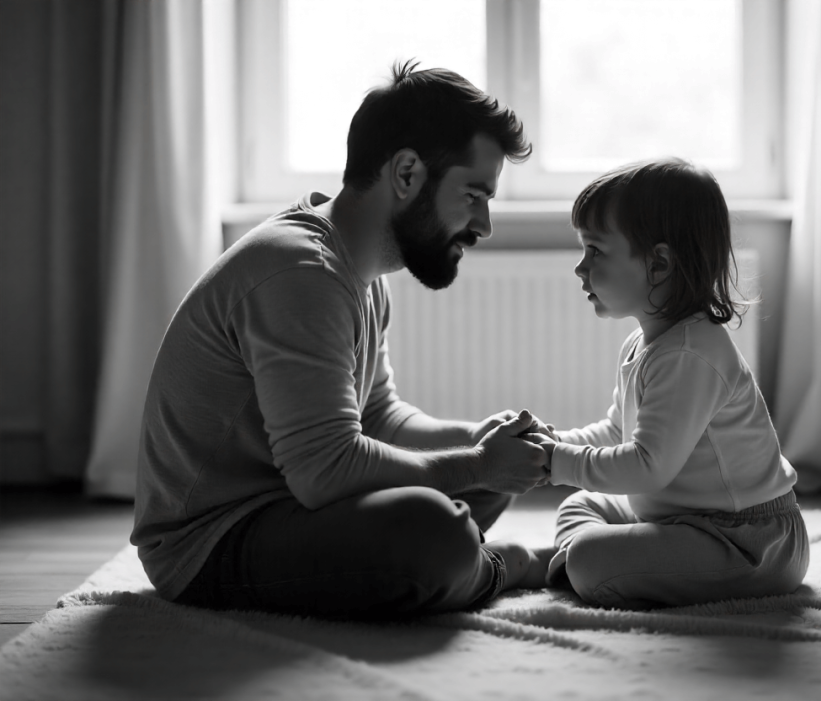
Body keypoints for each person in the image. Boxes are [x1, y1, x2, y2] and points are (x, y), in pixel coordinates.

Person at [131, 61, 556, 619]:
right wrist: (476, 463)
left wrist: (482, 441)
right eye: (474, 194)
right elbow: (324, 472)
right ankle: (503, 565)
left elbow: (377, 418)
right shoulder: (299, 273)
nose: (484, 225)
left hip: (290, 502)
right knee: (437, 531)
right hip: (212, 543)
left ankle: (450, 558)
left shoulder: (361, 273)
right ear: (406, 174)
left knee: (492, 473)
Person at [526, 159, 810, 610]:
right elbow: (616, 434)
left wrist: (556, 462)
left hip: (747, 542)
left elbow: (646, 466)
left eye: (595, 251)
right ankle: (583, 561)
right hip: (678, 519)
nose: (581, 268)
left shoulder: (690, 353)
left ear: (658, 264)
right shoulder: (645, 343)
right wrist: (554, 443)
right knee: (579, 506)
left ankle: (578, 563)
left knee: (589, 558)